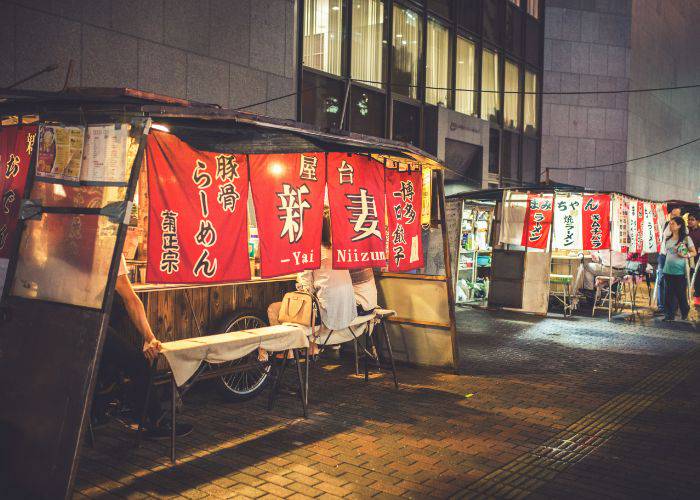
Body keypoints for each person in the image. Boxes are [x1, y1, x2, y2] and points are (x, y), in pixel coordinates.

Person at [97, 256, 192, 438]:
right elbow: (130, 299)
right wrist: (149, 337)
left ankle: (99, 408)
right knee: (138, 364)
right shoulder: (107, 244)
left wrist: (149, 337)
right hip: (89, 322)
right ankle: (155, 422)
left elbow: (130, 300)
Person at [266, 211, 357, 355]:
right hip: (347, 310)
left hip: (326, 314)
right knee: (310, 303)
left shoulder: (312, 251)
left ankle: (286, 353)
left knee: (274, 309)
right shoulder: (339, 250)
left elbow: (304, 288)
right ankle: (310, 347)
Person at [661, 216, 696, 322]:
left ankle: (685, 309)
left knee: (680, 293)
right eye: (670, 223)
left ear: (679, 226)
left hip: (680, 271)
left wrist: (686, 255)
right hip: (667, 270)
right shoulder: (667, 239)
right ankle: (669, 315)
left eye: (673, 224)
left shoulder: (686, 238)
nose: (670, 225)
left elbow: (694, 252)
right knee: (668, 293)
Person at [656, 206, 682, 315]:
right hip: (663, 256)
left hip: (674, 258)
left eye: (676, 215)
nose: (673, 217)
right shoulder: (666, 224)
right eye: (672, 214)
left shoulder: (682, 229)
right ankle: (661, 306)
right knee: (661, 281)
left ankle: (672, 307)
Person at [687, 212, 700, 305]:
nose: (690, 221)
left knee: (698, 278)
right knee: (685, 277)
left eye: (692, 219)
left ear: (698, 221)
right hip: (686, 256)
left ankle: (697, 298)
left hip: (698, 258)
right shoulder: (686, 231)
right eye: (689, 219)